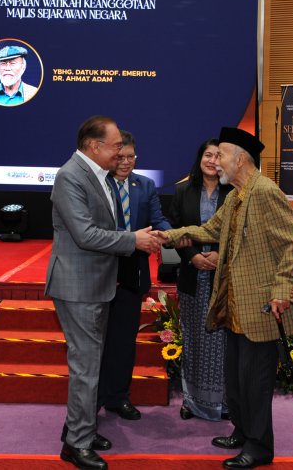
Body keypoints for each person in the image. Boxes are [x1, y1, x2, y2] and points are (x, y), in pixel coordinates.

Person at [158, 127, 293, 469]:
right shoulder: (236, 196)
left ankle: (259, 447)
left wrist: (282, 290)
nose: (217, 162)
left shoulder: (265, 192)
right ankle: (242, 432)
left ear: (241, 159)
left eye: (223, 155)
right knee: (236, 377)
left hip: (261, 308)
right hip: (235, 307)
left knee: (255, 381)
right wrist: (169, 235)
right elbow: (210, 230)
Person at [46, 116, 161, 470]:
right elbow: (85, 234)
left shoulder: (99, 176)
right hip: (79, 286)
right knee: (85, 367)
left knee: (91, 365)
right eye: (115, 146)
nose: (120, 153)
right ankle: (76, 444)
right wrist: (133, 240)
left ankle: (81, 429)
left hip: (98, 284)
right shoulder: (71, 176)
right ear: (94, 146)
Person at [97, 130, 171, 421]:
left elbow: (158, 219)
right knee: (98, 343)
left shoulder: (145, 185)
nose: (126, 162)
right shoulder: (98, 184)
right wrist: (131, 239)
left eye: (131, 157)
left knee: (125, 341)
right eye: (121, 157)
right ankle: (93, 402)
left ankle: (119, 398)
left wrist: (171, 234)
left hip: (132, 273)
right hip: (102, 270)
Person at [167, 138, 232, 421]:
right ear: (200, 158)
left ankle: (224, 403)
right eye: (208, 155)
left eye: (218, 156)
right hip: (193, 275)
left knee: (222, 342)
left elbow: (241, 232)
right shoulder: (183, 190)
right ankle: (191, 402)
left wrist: (220, 255)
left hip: (224, 277)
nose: (212, 161)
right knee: (194, 339)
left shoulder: (234, 193)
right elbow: (174, 230)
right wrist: (192, 256)